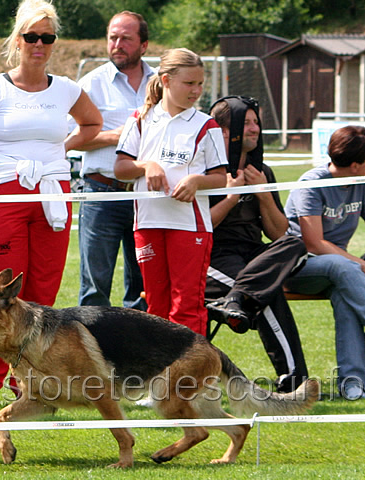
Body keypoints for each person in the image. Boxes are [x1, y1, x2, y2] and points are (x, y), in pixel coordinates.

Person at [0, 0, 102, 408]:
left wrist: (61, 148)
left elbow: (92, 125)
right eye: (31, 36)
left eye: (47, 37)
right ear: (17, 40)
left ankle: (31, 379)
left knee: (43, 288)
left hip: (53, 195)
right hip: (3, 194)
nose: (39, 44)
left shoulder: (66, 89)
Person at [113, 48, 227, 337]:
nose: (196, 90)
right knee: (156, 305)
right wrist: (146, 165)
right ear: (165, 80)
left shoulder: (206, 124)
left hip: (189, 226)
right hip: (148, 223)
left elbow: (220, 178)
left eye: (200, 83)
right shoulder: (140, 118)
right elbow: (121, 168)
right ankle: (159, 376)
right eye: (189, 83)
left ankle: (190, 378)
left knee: (186, 305)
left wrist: (196, 181)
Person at [204, 96, 309, 393]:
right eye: (246, 123)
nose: (254, 129)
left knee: (295, 245)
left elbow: (278, 234)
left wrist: (262, 192)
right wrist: (232, 196)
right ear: (224, 131)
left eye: (256, 123)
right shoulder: (207, 172)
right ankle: (294, 380)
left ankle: (237, 298)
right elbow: (201, 227)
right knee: (266, 294)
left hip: (253, 256)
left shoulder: (263, 171)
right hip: (213, 257)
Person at [74, 11, 152, 311]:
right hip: (100, 192)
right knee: (94, 286)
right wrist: (117, 137)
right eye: (112, 38)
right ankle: (92, 354)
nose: (117, 44)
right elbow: (71, 139)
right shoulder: (91, 84)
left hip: (146, 195)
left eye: (126, 39)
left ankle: (139, 354)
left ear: (143, 45)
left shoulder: (162, 83)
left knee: (143, 286)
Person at [284, 125, 365, 400]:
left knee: (345, 294)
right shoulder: (312, 183)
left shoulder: (359, 183)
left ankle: (352, 384)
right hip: (298, 267)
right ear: (355, 165)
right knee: (344, 267)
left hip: (341, 271)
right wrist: (358, 262)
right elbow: (313, 244)